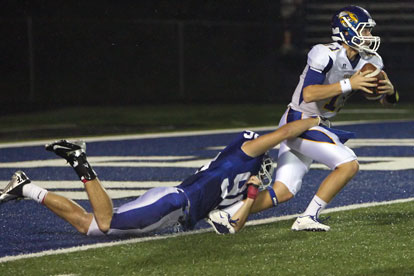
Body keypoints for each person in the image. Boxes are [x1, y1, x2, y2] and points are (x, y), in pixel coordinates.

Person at [0, 117, 320, 236]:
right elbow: (285, 131)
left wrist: (251, 193)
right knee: (105, 221)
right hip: (171, 204)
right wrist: (314, 120)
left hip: (170, 206)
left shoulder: (238, 188)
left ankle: (26, 188)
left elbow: (235, 225)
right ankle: (79, 160)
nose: (264, 167)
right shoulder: (242, 153)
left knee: (89, 225)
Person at [244, 5, 399, 232]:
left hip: (319, 123)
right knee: (348, 163)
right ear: (348, 31)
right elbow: (309, 94)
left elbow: (386, 103)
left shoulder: (371, 61)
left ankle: (228, 212)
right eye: (364, 30)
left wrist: (390, 91)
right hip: (299, 118)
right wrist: (349, 84)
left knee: (284, 190)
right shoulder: (325, 53)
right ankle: (308, 216)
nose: (368, 36)